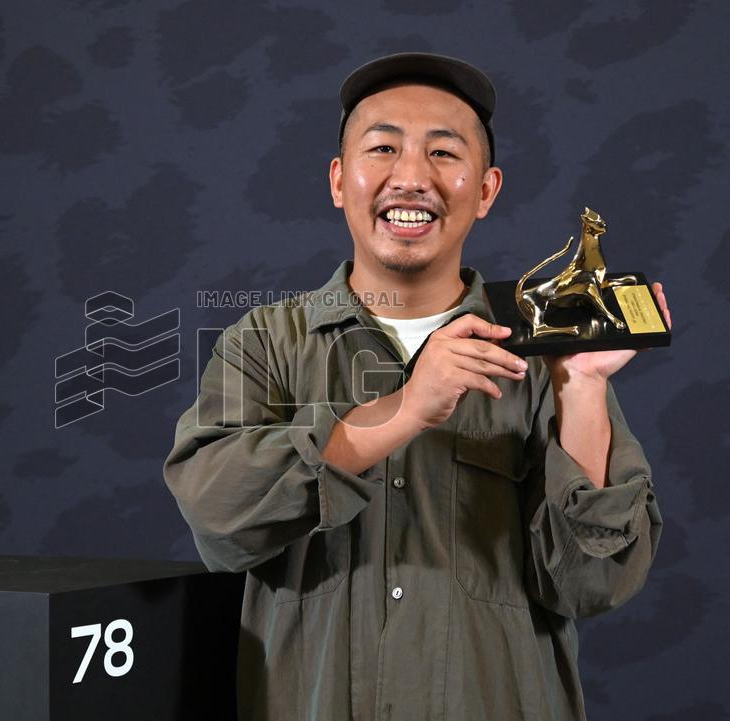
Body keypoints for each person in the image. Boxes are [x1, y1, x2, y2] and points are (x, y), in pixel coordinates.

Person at [163, 52, 671, 721]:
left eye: (442, 152)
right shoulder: (264, 342)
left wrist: (578, 388)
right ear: (340, 181)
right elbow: (217, 517)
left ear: (486, 190)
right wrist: (402, 410)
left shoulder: (541, 348)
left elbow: (594, 581)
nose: (411, 178)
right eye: (383, 148)